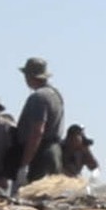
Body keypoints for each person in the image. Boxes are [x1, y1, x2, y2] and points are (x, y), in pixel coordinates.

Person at [13, 58, 66, 186]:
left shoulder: (38, 97)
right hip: (54, 153)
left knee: (36, 193)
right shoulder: (56, 95)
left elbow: (37, 131)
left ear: (30, 76)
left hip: (40, 155)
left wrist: (25, 164)